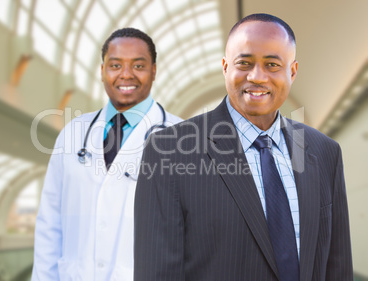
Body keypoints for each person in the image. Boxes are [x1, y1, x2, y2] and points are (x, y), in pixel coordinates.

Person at [134, 14, 352, 281]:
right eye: (244, 63)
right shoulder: (167, 150)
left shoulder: (325, 152)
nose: (257, 76)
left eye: (272, 64)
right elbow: (156, 272)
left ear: (292, 71)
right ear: (226, 67)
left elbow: (337, 265)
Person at [32, 27, 182, 281]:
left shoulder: (182, 137)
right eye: (115, 65)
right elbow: (50, 224)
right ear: (102, 71)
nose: (126, 75)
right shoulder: (72, 135)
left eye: (138, 66)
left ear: (153, 71)